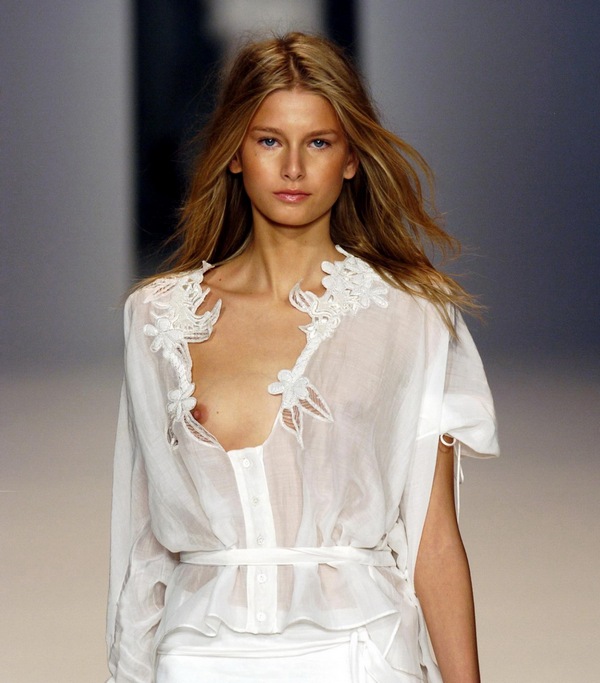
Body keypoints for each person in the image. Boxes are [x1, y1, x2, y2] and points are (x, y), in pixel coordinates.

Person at [106, 32, 499, 683]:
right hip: (199, 657)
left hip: (358, 650)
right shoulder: (157, 317)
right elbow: (144, 543)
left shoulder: (412, 314)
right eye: (269, 141)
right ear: (235, 154)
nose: (293, 167)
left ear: (351, 158)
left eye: (318, 142)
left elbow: (433, 538)